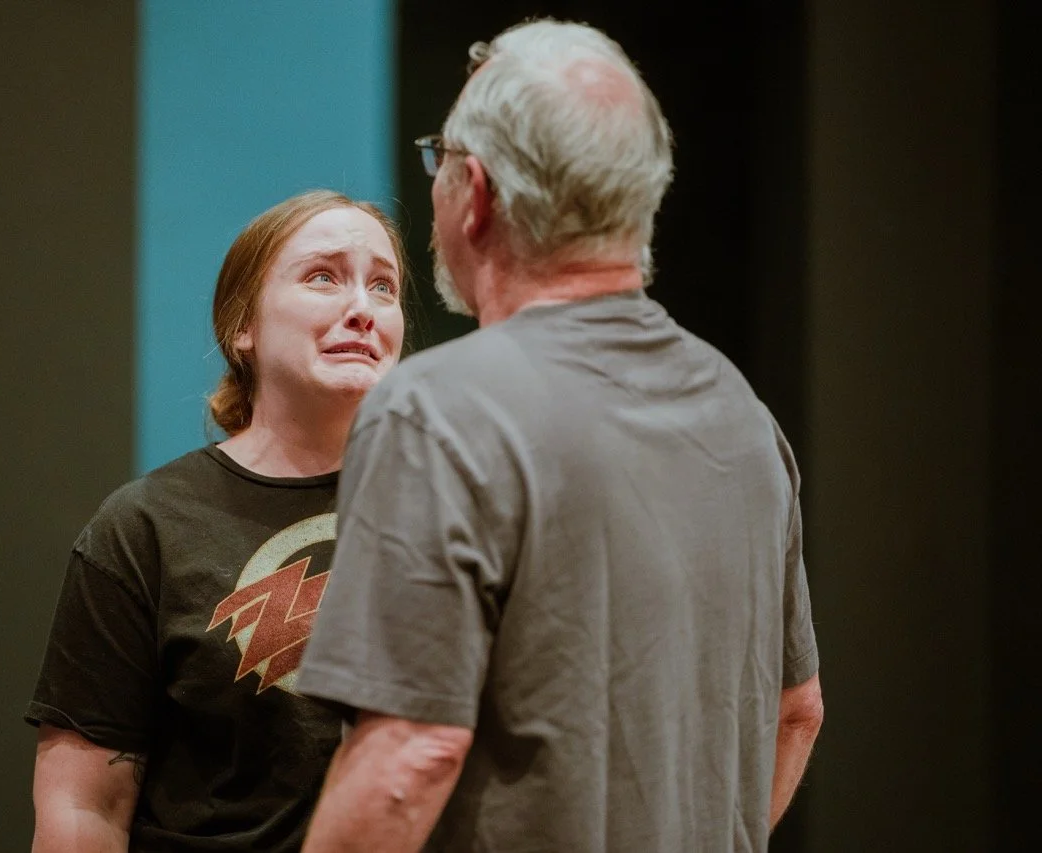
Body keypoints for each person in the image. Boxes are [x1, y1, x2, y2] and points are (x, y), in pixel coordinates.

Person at [297, 19, 823, 853]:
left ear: (476, 193)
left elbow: (410, 756)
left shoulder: (437, 411)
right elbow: (796, 711)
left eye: (441, 160)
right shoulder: (744, 416)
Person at [25, 189, 407, 852]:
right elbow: (83, 807)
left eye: (383, 286)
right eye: (323, 277)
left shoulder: (457, 508)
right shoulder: (146, 527)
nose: (361, 309)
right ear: (242, 327)